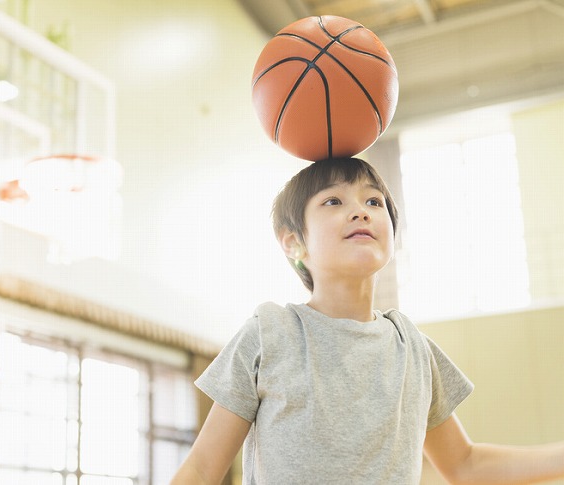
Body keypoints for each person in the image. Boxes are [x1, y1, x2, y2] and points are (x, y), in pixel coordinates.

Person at [171, 157, 564, 484]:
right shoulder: (270, 334)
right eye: (333, 202)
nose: (360, 210)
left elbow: (465, 464)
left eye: (374, 202)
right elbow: (204, 468)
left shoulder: (413, 349)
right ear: (293, 241)